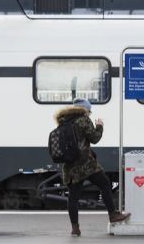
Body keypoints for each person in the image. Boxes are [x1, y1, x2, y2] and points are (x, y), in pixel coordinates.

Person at [54, 98, 131, 236]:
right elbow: (94, 138)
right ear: (85, 110)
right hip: (86, 165)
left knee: (73, 198)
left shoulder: (64, 121)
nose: (90, 113)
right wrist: (99, 126)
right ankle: (113, 215)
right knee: (105, 184)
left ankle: (75, 228)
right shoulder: (83, 119)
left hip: (70, 166)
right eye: (89, 111)